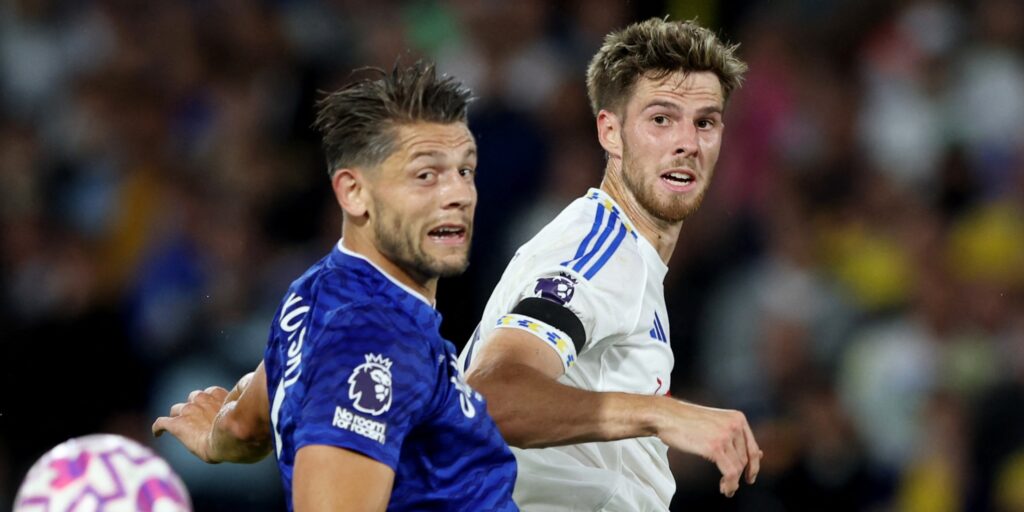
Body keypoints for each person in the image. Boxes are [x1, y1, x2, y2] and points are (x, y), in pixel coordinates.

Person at [152, 62, 518, 512]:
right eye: (426, 175)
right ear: (353, 193)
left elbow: (249, 427)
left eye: (466, 171)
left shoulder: (315, 291)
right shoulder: (374, 339)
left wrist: (216, 438)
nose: (459, 194)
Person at [457, 18, 762, 510]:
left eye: (705, 122)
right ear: (611, 131)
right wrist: (664, 416)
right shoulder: (600, 252)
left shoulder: (632, 261)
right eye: (661, 119)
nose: (687, 142)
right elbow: (491, 395)